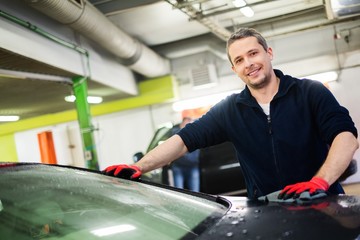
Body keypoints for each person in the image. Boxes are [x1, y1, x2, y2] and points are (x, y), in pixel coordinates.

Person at [103, 28, 359, 200]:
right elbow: (184, 140)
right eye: (239, 60)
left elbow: (345, 136)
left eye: (253, 53)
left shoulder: (308, 92)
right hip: (269, 211)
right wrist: (137, 166)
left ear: (269, 54)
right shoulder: (229, 110)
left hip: (324, 200)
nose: (248, 64)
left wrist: (320, 182)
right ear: (234, 68)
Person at [170, 117, 200, 192]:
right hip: (178, 167)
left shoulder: (195, 133)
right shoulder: (175, 132)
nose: (188, 126)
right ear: (181, 124)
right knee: (179, 192)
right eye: (186, 124)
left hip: (193, 166)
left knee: (196, 192)